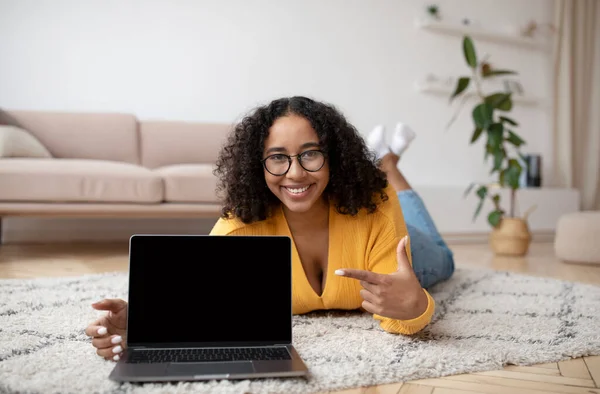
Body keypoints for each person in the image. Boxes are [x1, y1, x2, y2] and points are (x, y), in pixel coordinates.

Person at [85, 96, 455, 362]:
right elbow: (203, 302)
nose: (295, 173)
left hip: (402, 241)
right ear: (258, 166)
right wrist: (141, 323)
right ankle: (387, 158)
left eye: (311, 153)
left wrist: (416, 304)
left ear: (334, 159)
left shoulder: (374, 203)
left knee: (443, 258)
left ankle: (388, 164)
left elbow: (402, 315)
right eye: (278, 157)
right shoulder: (238, 228)